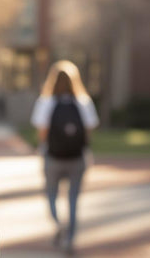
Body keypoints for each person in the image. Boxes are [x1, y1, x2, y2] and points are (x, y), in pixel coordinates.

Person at [31, 60, 98, 255]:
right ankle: (70, 239)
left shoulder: (45, 102)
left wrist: (45, 147)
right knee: (73, 199)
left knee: (51, 194)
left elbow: (42, 132)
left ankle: (59, 224)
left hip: (53, 156)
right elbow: (88, 132)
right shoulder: (83, 102)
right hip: (77, 157)